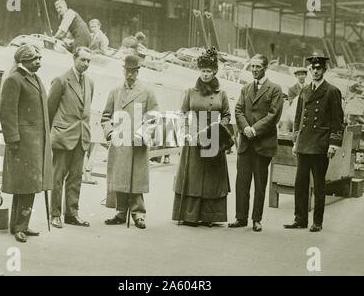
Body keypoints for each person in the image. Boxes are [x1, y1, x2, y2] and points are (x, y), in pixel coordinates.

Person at [284, 53, 344, 232]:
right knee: (300, 183)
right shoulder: (304, 90)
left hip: (320, 144)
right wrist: (296, 140)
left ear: (324, 70)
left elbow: (337, 120)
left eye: (319, 68)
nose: (315, 71)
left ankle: (317, 222)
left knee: (318, 185)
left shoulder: (332, 91)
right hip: (304, 143)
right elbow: (298, 117)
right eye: (313, 68)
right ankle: (300, 219)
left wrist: (334, 143)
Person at [172, 47, 231, 227]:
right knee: (193, 178)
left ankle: (209, 216)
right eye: (203, 71)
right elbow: (182, 114)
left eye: (209, 71)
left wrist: (219, 129)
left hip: (213, 140)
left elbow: (227, 115)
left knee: (211, 179)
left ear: (214, 72)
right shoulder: (190, 92)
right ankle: (190, 215)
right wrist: (188, 132)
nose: (205, 75)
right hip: (193, 140)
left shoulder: (222, 94)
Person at [0, 44, 53, 243]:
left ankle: (17, 224)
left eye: (39, 58)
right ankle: (20, 227)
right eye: (34, 59)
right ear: (24, 61)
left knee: (27, 186)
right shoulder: (14, 80)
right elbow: (7, 112)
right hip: (23, 143)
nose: (39, 62)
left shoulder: (35, 79)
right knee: (27, 186)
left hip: (35, 143)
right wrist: (12, 139)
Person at [101, 55, 159, 229]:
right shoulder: (115, 92)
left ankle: (138, 214)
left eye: (133, 71)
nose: (130, 75)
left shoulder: (147, 92)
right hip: (120, 143)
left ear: (138, 72)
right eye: (127, 71)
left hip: (137, 143)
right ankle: (120, 212)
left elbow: (153, 116)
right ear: (123, 71)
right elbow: (105, 117)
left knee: (136, 180)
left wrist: (144, 134)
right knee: (120, 178)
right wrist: (110, 132)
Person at [228, 54, 284, 232]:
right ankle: (240, 217)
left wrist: (254, 129)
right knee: (242, 182)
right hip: (246, 143)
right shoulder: (246, 88)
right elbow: (238, 110)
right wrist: (245, 128)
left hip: (262, 144)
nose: (254, 70)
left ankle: (256, 219)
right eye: (252, 66)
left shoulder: (274, 89)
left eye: (257, 67)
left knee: (260, 184)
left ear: (265, 68)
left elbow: (273, 115)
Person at [48, 47, 94, 229]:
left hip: (81, 137)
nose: (86, 64)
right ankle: (55, 214)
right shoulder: (61, 80)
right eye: (83, 60)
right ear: (74, 58)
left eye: (89, 61)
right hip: (63, 136)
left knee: (76, 177)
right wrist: (50, 135)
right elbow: (49, 110)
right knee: (58, 177)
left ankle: (72, 214)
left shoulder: (90, 82)